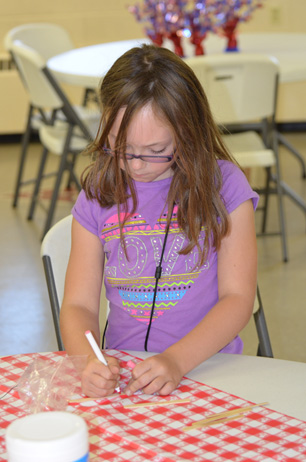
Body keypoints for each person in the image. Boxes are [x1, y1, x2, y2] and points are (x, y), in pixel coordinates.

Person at [60, 44, 258, 398]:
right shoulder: (97, 194)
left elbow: (238, 297)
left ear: (189, 133)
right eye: (120, 148)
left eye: (155, 152)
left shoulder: (225, 187)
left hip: (209, 368)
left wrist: (177, 360)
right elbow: (79, 306)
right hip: (125, 374)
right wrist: (88, 361)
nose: (136, 166)